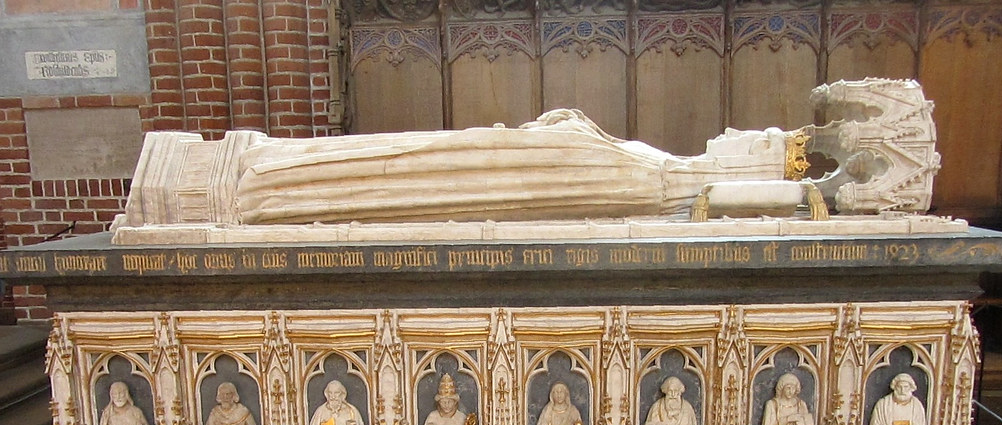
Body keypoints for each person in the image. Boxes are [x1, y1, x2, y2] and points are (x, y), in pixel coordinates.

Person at [234, 110, 796, 224]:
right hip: (485, 160)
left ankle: (272, 178)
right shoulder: (658, 172)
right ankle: (274, 171)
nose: (741, 132)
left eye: (762, 140)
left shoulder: (660, 179)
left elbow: (518, 173)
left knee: (405, 165)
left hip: (471, 170)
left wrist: (560, 135)